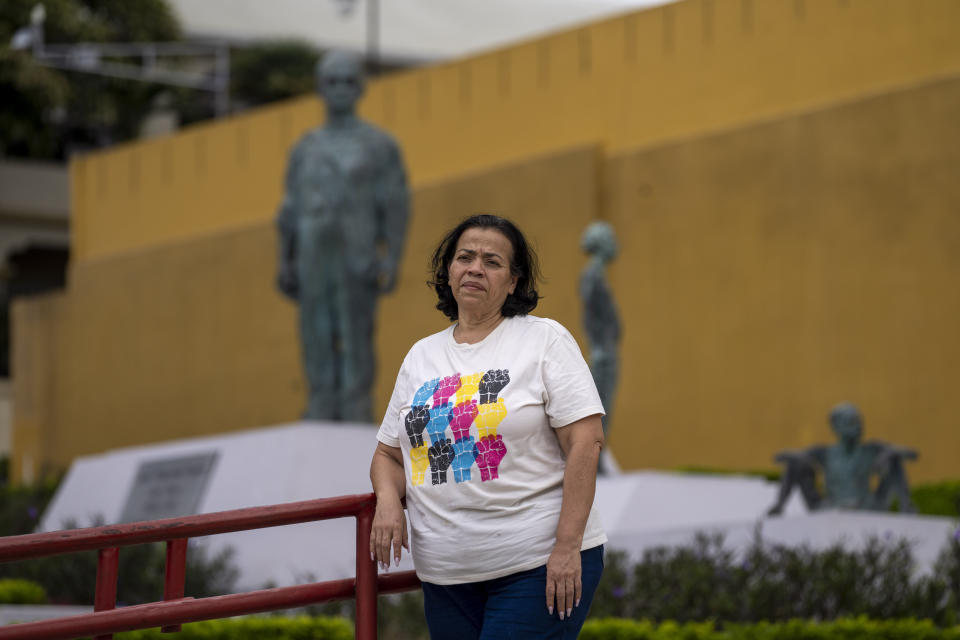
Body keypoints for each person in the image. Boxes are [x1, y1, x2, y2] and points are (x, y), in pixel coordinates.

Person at [370, 214, 607, 639]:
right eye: (465, 257)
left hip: (537, 565)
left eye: (492, 261)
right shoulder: (420, 356)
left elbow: (586, 441)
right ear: (448, 271)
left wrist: (568, 547)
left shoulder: (543, 340)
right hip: (446, 579)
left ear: (514, 281)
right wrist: (388, 501)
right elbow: (388, 453)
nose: (475, 268)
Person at [275, 51, 409, 422]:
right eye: (332, 82)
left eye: (348, 82)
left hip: (357, 249)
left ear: (361, 88)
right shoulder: (306, 148)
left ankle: (354, 405)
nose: (340, 90)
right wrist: (284, 259)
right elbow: (289, 208)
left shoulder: (378, 145)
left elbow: (395, 202)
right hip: (312, 248)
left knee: (355, 332)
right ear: (320, 88)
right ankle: (320, 401)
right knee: (315, 329)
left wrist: (393, 257)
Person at [767, 402, 917, 515]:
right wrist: (793, 457)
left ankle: (906, 505)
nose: (858, 427)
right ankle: (779, 506)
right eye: (851, 422)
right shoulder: (825, 452)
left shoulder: (872, 449)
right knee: (796, 463)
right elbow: (791, 456)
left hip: (868, 505)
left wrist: (887, 455)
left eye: (859, 422)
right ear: (836, 426)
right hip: (831, 505)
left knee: (894, 459)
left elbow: (911, 454)